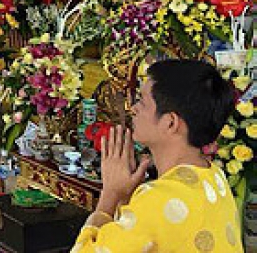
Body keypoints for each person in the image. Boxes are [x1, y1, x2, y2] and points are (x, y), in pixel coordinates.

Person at [72, 59, 243, 252]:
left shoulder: (157, 199)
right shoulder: (215, 177)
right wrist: (125, 199)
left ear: (170, 123)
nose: (133, 108)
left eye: (142, 102)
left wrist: (109, 196)